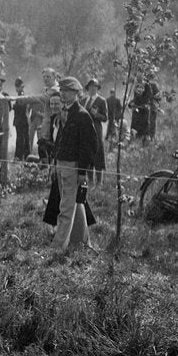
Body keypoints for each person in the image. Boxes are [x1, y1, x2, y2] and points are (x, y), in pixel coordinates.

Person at [50, 77, 96, 252]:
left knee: (65, 208)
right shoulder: (64, 113)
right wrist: (55, 164)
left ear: (76, 93)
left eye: (68, 91)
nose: (63, 93)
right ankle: (81, 241)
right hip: (61, 164)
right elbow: (59, 141)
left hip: (73, 166)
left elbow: (90, 146)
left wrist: (83, 171)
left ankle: (57, 247)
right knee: (73, 204)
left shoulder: (82, 115)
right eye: (62, 90)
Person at [81, 78, 107, 184]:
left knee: (98, 155)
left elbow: (105, 118)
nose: (93, 89)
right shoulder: (83, 101)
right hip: (86, 131)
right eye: (91, 87)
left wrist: (96, 114)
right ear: (87, 88)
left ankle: (99, 181)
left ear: (97, 88)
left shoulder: (101, 101)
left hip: (96, 131)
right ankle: (90, 181)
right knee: (88, 155)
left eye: (95, 87)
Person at [11, 77, 32, 160]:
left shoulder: (22, 96)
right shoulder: (20, 95)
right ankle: (21, 157)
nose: (17, 88)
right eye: (16, 86)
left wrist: (14, 106)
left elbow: (22, 107)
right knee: (22, 139)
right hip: (20, 120)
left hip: (22, 120)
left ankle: (21, 157)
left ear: (22, 86)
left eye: (18, 86)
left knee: (22, 140)